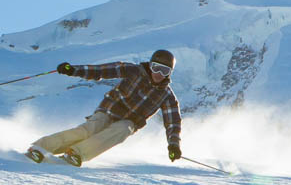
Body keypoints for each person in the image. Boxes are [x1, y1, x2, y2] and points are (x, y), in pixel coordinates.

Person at [25, 49, 182, 167]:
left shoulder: (166, 95)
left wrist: (173, 145)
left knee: (123, 130)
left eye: (165, 71)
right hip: (110, 110)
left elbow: (173, 123)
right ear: (150, 65)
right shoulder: (133, 70)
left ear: (170, 73)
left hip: (129, 121)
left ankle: (76, 153)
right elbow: (102, 71)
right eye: (156, 68)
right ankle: (40, 147)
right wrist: (73, 70)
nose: (159, 74)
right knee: (89, 130)